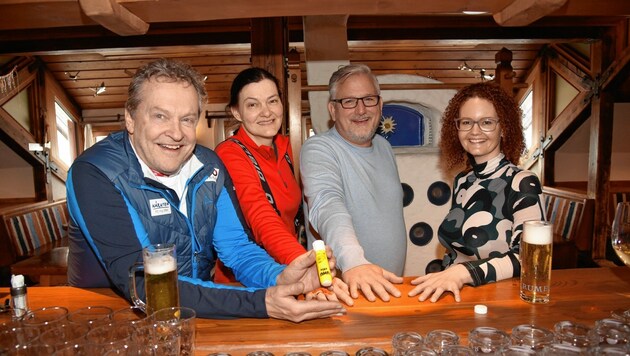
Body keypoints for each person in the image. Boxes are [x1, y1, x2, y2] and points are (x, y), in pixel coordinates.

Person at [66, 58, 346, 321]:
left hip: (198, 311)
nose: (176, 133)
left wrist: (281, 277)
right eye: (161, 116)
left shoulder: (208, 164)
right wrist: (261, 302)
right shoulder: (94, 173)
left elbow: (237, 249)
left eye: (187, 119)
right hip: (109, 318)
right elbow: (143, 283)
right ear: (130, 118)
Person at [213, 67, 352, 304]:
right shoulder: (229, 153)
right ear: (236, 112)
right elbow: (261, 216)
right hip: (248, 282)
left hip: (290, 269)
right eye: (252, 105)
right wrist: (305, 262)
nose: (266, 112)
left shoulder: (286, 148)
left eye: (272, 101)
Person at [409, 82, 545, 303]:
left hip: (498, 301)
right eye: (466, 122)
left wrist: (463, 273)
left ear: (505, 128)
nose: (475, 131)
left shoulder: (522, 182)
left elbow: (528, 259)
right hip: (457, 296)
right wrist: (448, 276)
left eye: (487, 122)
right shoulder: (463, 180)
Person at [300, 64, 405, 303]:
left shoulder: (384, 147)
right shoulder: (319, 148)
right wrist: (354, 262)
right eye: (349, 101)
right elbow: (327, 204)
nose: (361, 109)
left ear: (380, 105)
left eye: (368, 99)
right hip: (341, 292)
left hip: (389, 290)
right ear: (333, 110)